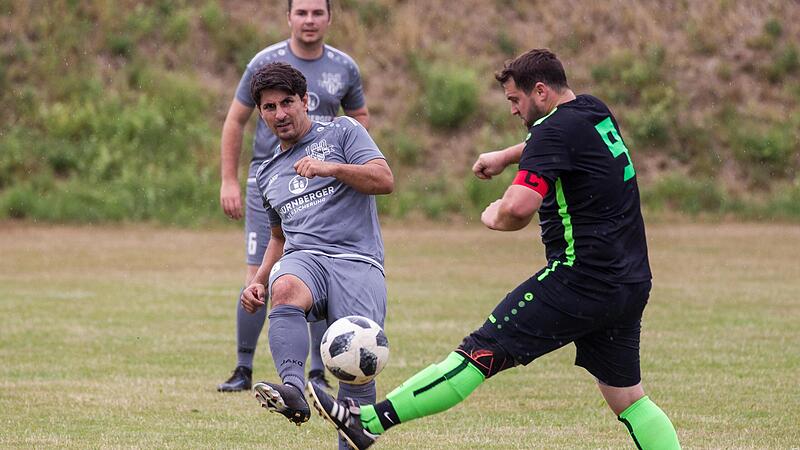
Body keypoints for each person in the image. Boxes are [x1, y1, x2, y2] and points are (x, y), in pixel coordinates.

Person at [308, 49, 681, 450]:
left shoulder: (551, 133)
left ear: (540, 92)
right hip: (629, 281)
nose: (513, 111)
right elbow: (555, 144)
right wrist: (506, 156)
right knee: (628, 397)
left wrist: (494, 215)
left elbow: (519, 210)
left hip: (579, 279)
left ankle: (368, 421)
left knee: (476, 355)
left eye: (515, 100)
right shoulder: (592, 110)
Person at [217, 0, 370, 392]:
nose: (309, 20)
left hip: (322, 182)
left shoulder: (344, 67)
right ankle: (243, 368)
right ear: (289, 18)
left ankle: (320, 370)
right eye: (301, 12)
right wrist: (229, 181)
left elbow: (359, 118)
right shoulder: (263, 62)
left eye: (317, 12)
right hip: (271, 186)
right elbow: (235, 120)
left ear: (329, 18)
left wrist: (355, 162)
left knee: (319, 264)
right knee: (259, 276)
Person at [240, 62, 393, 449]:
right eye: (270, 107)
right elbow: (278, 236)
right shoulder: (267, 172)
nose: (280, 114)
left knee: (355, 367)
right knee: (286, 286)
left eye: (287, 103)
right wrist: (258, 281)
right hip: (304, 257)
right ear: (261, 113)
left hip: (357, 259)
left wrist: (332, 169)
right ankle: (293, 390)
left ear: (305, 101)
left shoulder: (344, 130)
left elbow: (384, 180)